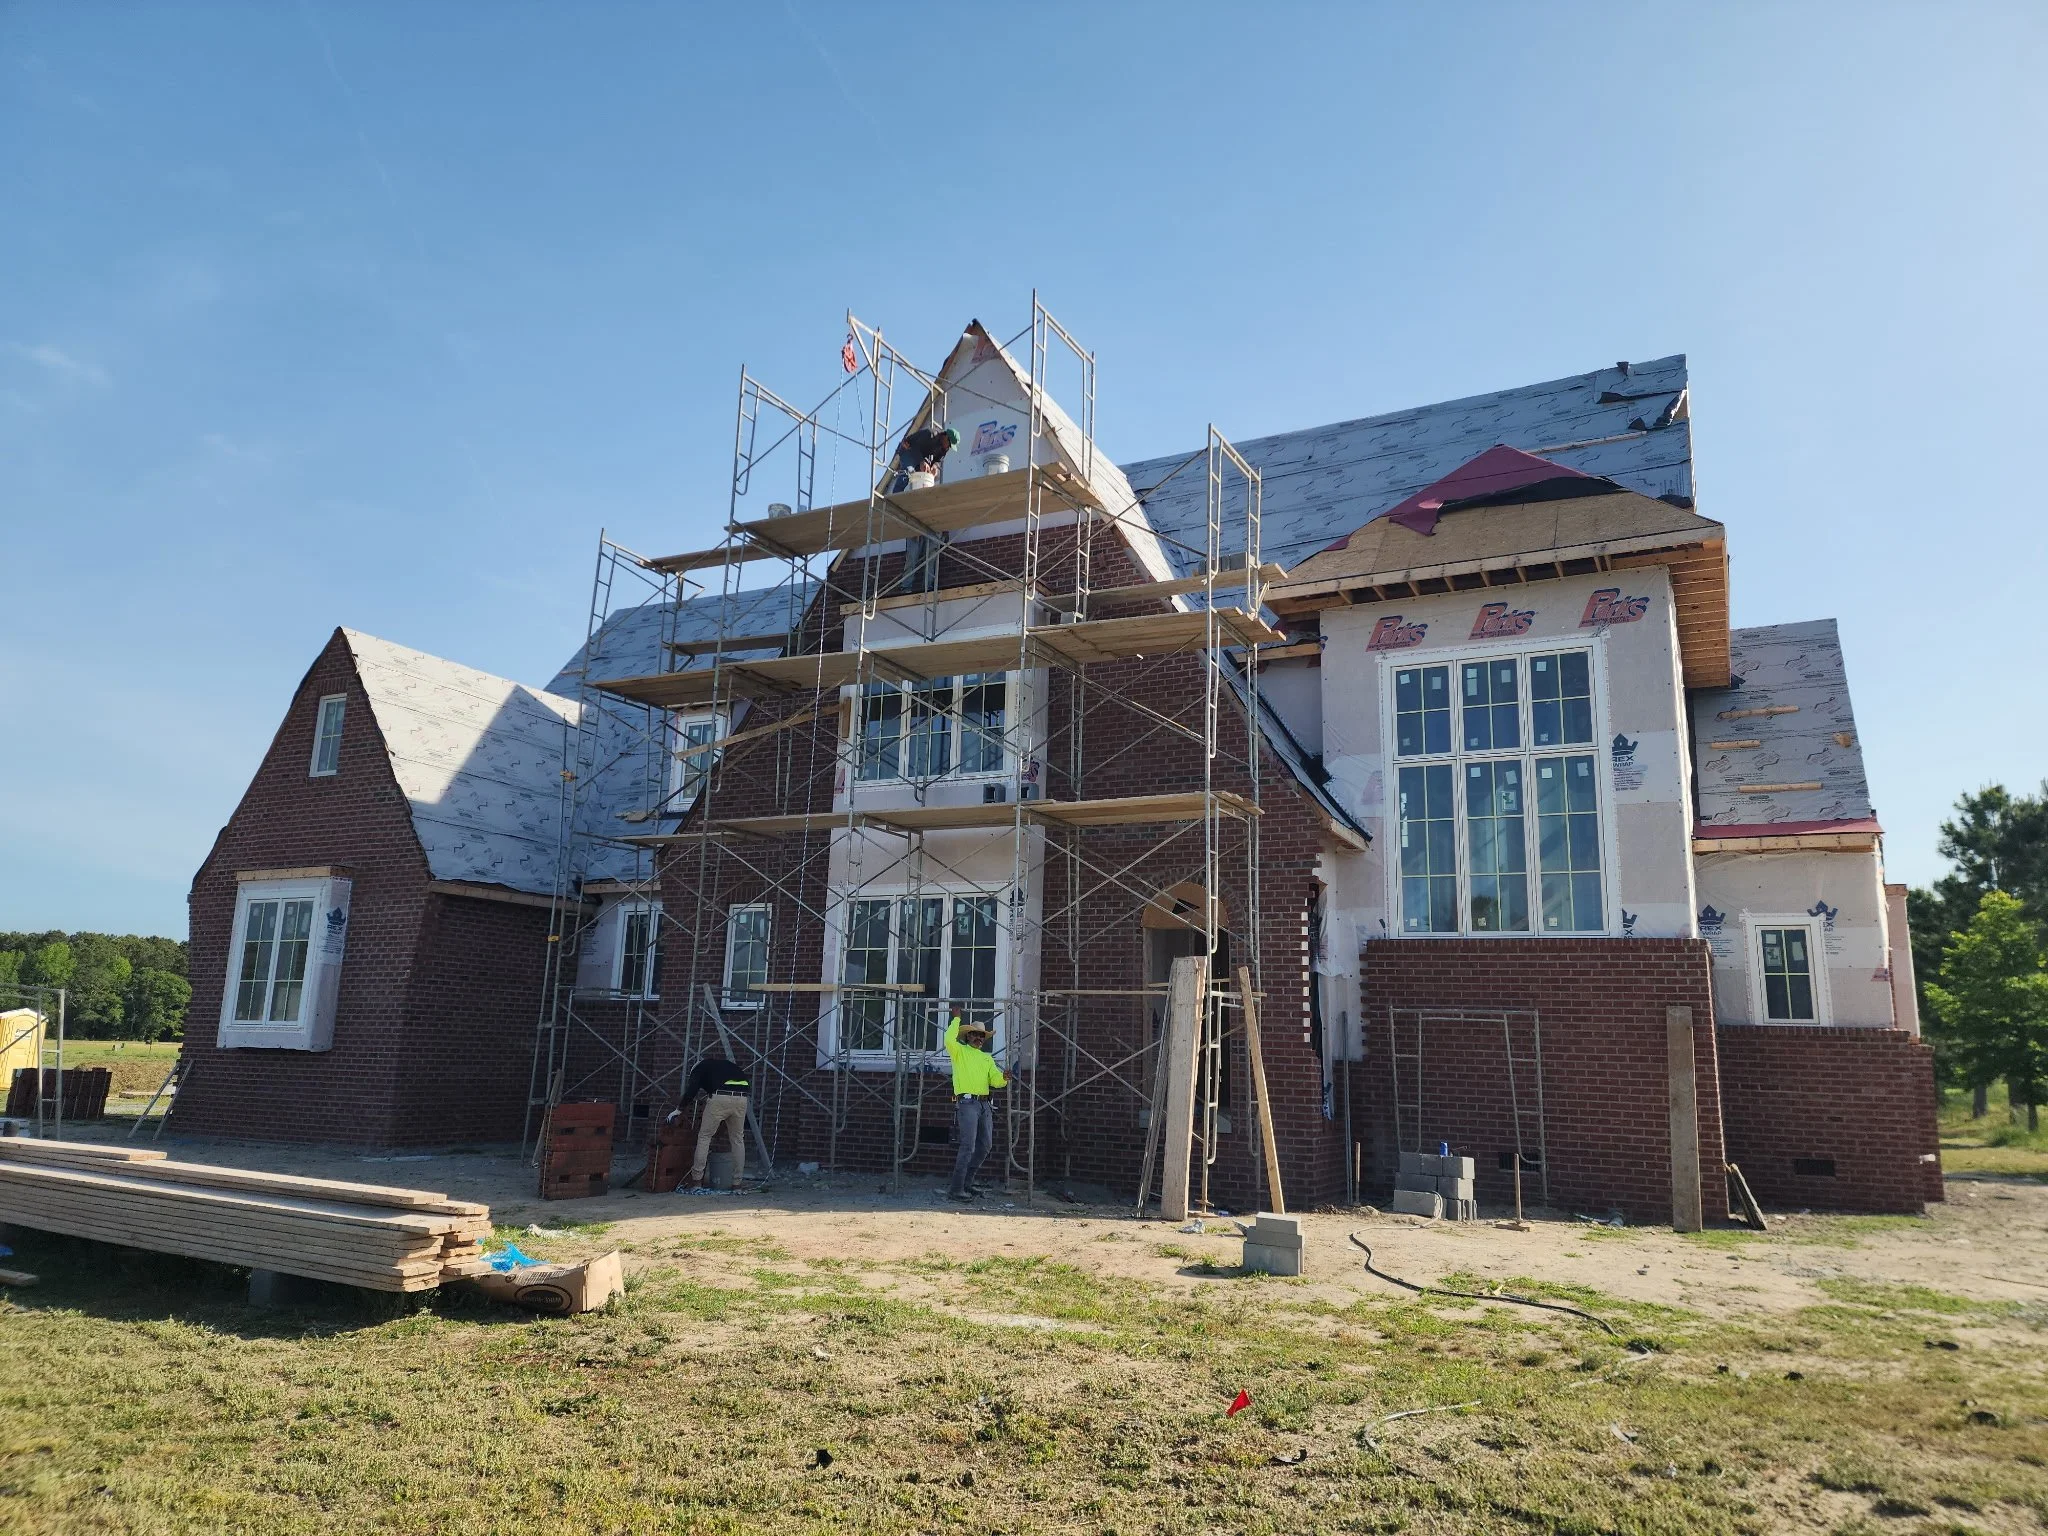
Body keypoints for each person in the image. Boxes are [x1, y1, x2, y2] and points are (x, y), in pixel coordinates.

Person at [943, 1013, 1005, 1201]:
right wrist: (956, 1020)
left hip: (984, 1104)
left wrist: (1004, 1078)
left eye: (982, 1036)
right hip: (967, 1103)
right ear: (968, 1036)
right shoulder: (959, 1052)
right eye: (975, 1035)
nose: (979, 1038)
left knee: (985, 1145)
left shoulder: (987, 1059)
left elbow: (995, 1080)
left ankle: (967, 1183)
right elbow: (948, 1039)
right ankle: (956, 1189)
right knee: (968, 1145)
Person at [680, 1052, 751, 1188]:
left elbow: (692, 1090)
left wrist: (679, 1108)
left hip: (720, 1097)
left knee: (705, 1137)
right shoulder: (726, 1065)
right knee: (737, 1139)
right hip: (742, 1098)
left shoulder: (698, 1068)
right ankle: (737, 1183)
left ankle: (697, 1181)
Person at [889, 424, 959, 491]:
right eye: (949, 444)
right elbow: (915, 447)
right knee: (909, 470)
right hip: (908, 449)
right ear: (946, 437)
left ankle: (918, 496)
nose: (948, 447)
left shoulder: (944, 448)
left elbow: (937, 460)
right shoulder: (930, 434)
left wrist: (934, 466)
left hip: (921, 456)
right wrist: (922, 461)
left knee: (924, 475)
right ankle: (896, 495)